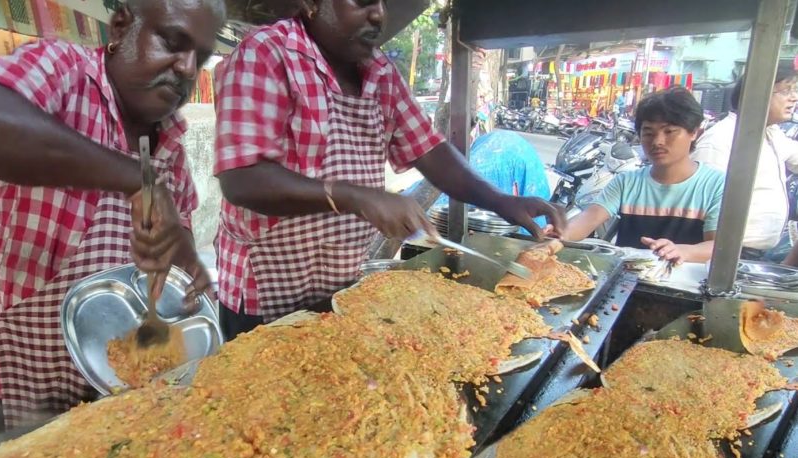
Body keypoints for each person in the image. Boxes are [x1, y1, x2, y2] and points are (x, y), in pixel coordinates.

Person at [213, 0, 565, 338]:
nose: (379, 14)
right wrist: (353, 197)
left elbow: (430, 150)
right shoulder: (267, 53)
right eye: (364, 1)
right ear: (312, 3)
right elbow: (242, 178)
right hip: (266, 293)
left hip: (340, 284)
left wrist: (502, 201)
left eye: (381, 2)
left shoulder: (380, 72)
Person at [0, 0, 225, 431]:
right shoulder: (66, 71)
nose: (188, 68)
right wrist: (136, 179)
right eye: (172, 41)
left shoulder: (170, 141)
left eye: (201, 58)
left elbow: (178, 229)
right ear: (120, 28)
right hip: (19, 377)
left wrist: (184, 257)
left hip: (116, 385)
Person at [549, 88, 725, 265]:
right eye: (648, 133)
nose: (657, 141)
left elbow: (717, 245)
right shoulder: (626, 182)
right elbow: (589, 218)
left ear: (694, 132)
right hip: (627, 284)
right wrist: (559, 234)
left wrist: (684, 251)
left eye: (670, 131)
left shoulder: (716, 185)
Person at [691, 61, 798, 262]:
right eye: (785, 91)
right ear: (757, 94)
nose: (794, 98)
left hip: (760, 254)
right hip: (731, 254)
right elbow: (704, 203)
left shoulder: (770, 134)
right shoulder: (721, 138)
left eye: (794, 90)